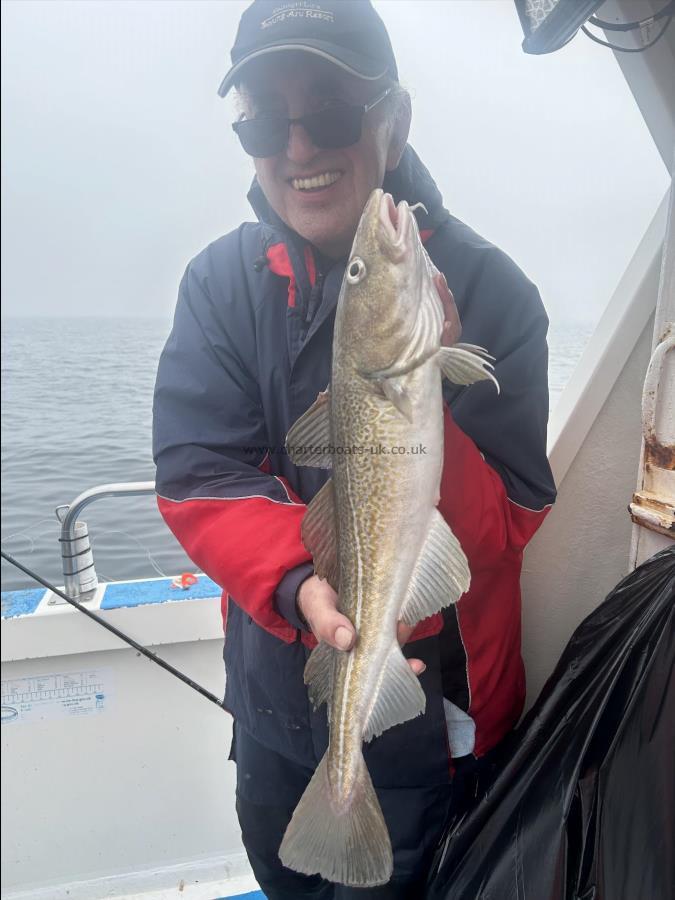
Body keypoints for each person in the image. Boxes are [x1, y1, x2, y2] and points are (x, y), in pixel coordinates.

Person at [152, 1, 557, 897]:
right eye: (262, 117)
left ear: (393, 121)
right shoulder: (219, 285)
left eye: (329, 110)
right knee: (285, 873)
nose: (297, 147)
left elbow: (507, 525)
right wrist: (300, 586)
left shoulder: (493, 290)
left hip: (436, 706)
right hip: (274, 687)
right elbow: (197, 476)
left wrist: (426, 395)